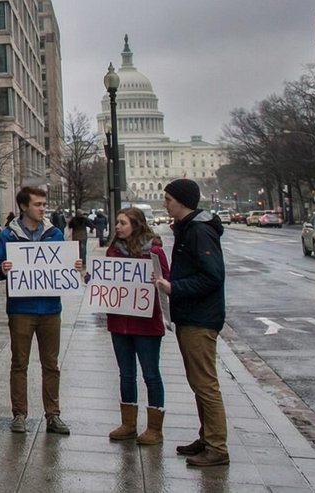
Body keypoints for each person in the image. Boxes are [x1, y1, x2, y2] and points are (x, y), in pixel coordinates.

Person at [0, 185, 81, 436]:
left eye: (44, 204)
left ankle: (53, 415)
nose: (43, 209)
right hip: (21, 308)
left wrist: (72, 265)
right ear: (24, 206)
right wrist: (3, 268)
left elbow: (62, 265)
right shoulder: (8, 235)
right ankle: (19, 414)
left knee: (51, 364)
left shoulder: (54, 234)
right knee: (19, 363)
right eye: (38, 205)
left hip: (51, 308)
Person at [156, 178, 229, 468]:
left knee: (205, 384)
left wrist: (175, 288)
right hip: (190, 315)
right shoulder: (189, 229)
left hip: (200, 317)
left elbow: (212, 276)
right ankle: (207, 437)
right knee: (198, 382)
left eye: (168, 199)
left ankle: (217, 446)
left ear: (182, 201)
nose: (165, 203)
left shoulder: (198, 231)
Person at [105, 206, 171, 446]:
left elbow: (166, 281)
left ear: (136, 224)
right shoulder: (113, 251)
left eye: (123, 223)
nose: (118, 227)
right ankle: (129, 424)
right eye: (117, 223)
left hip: (146, 324)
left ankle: (155, 427)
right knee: (126, 373)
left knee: (151, 374)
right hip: (120, 322)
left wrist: (159, 282)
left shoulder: (153, 252)